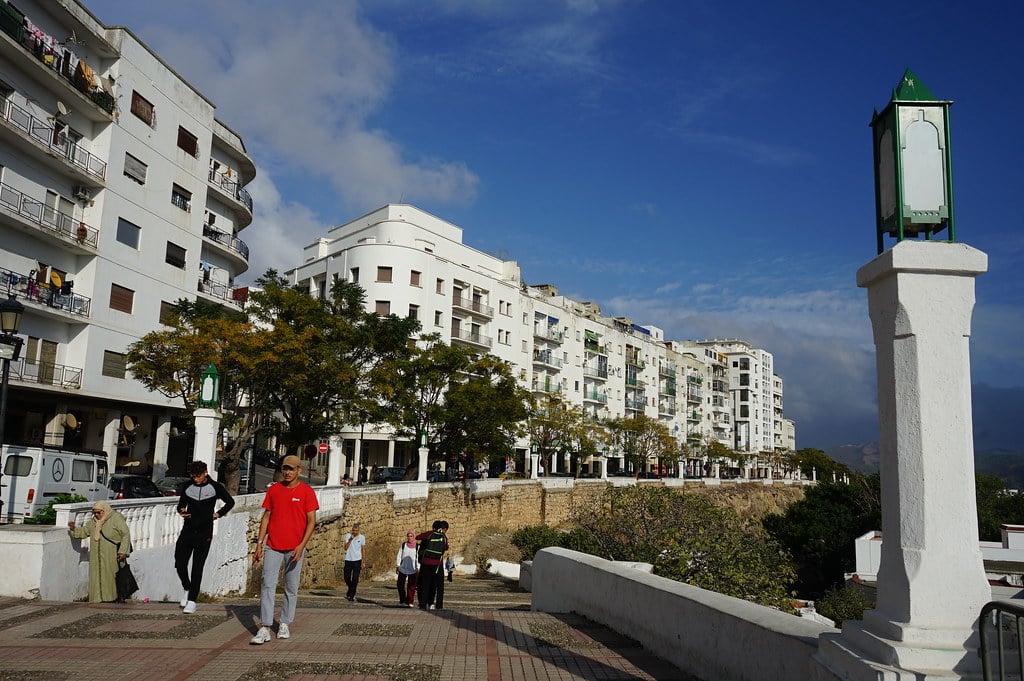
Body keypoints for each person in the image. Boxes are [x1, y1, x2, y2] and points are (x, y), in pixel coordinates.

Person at [251, 455, 319, 645]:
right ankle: (264, 627)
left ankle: (284, 623)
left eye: (291, 469)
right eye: (285, 469)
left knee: (291, 587)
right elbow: (266, 517)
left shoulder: (306, 492)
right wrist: (259, 543)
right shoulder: (274, 490)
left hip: (295, 548)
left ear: (299, 471)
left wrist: (301, 545)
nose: (287, 472)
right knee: (267, 584)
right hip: (273, 545)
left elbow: (312, 521)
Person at [175, 460, 234, 614]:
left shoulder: (215, 488)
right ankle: (187, 588)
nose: (196, 479)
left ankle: (192, 600)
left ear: (205, 473)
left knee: (197, 567)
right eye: (193, 476)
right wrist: (181, 510)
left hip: (204, 532)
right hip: (187, 530)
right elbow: (181, 504)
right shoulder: (187, 487)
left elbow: (230, 502)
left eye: (198, 476)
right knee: (180, 563)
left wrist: (217, 514)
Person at [67, 501, 132, 603]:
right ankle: (97, 599)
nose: (96, 515)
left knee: (110, 576)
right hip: (96, 556)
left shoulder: (115, 518)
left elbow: (125, 534)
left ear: (105, 510)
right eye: (95, 513)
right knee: (96, 577)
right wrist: (73, 529)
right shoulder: (93, 522)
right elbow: (84, 532)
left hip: (111, 553)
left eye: (99, 513)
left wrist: (123, 551)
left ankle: (111, 599)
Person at [416, 520, 449, 610]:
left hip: (426, 563)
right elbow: (446, 547)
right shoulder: (443, 536)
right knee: (438, 586)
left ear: (433, 527)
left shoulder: (429, 534)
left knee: (425, 584)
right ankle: (438, 605)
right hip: (438, 565)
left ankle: (423, 604)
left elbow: (418, 537)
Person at [395, 530, 419, 607]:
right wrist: (398, 565)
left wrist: (418, 567)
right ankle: (402, 600)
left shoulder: (417, 546)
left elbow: (418, 558)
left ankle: (410, 601)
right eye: (408, 536)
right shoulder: (403, 545)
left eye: (411, 536)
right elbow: (399, 555)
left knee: (411, 586)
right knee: (400, 584)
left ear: (414, 537)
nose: (409, 538)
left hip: (413, 568)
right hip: (403, 568)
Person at [343, 523, 366, 601]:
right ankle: (350, 589)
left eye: (356, 531)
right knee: (347, 577)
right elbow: (345, 548)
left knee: (355, 578)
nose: (355, 532)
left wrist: (363, 560)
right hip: (348, 559)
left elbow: (363, 549)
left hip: (357, 560)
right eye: (353, 530)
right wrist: (350, 539)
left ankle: (352, 595)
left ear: (358, 531)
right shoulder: (347, 536)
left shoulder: (362, 537)